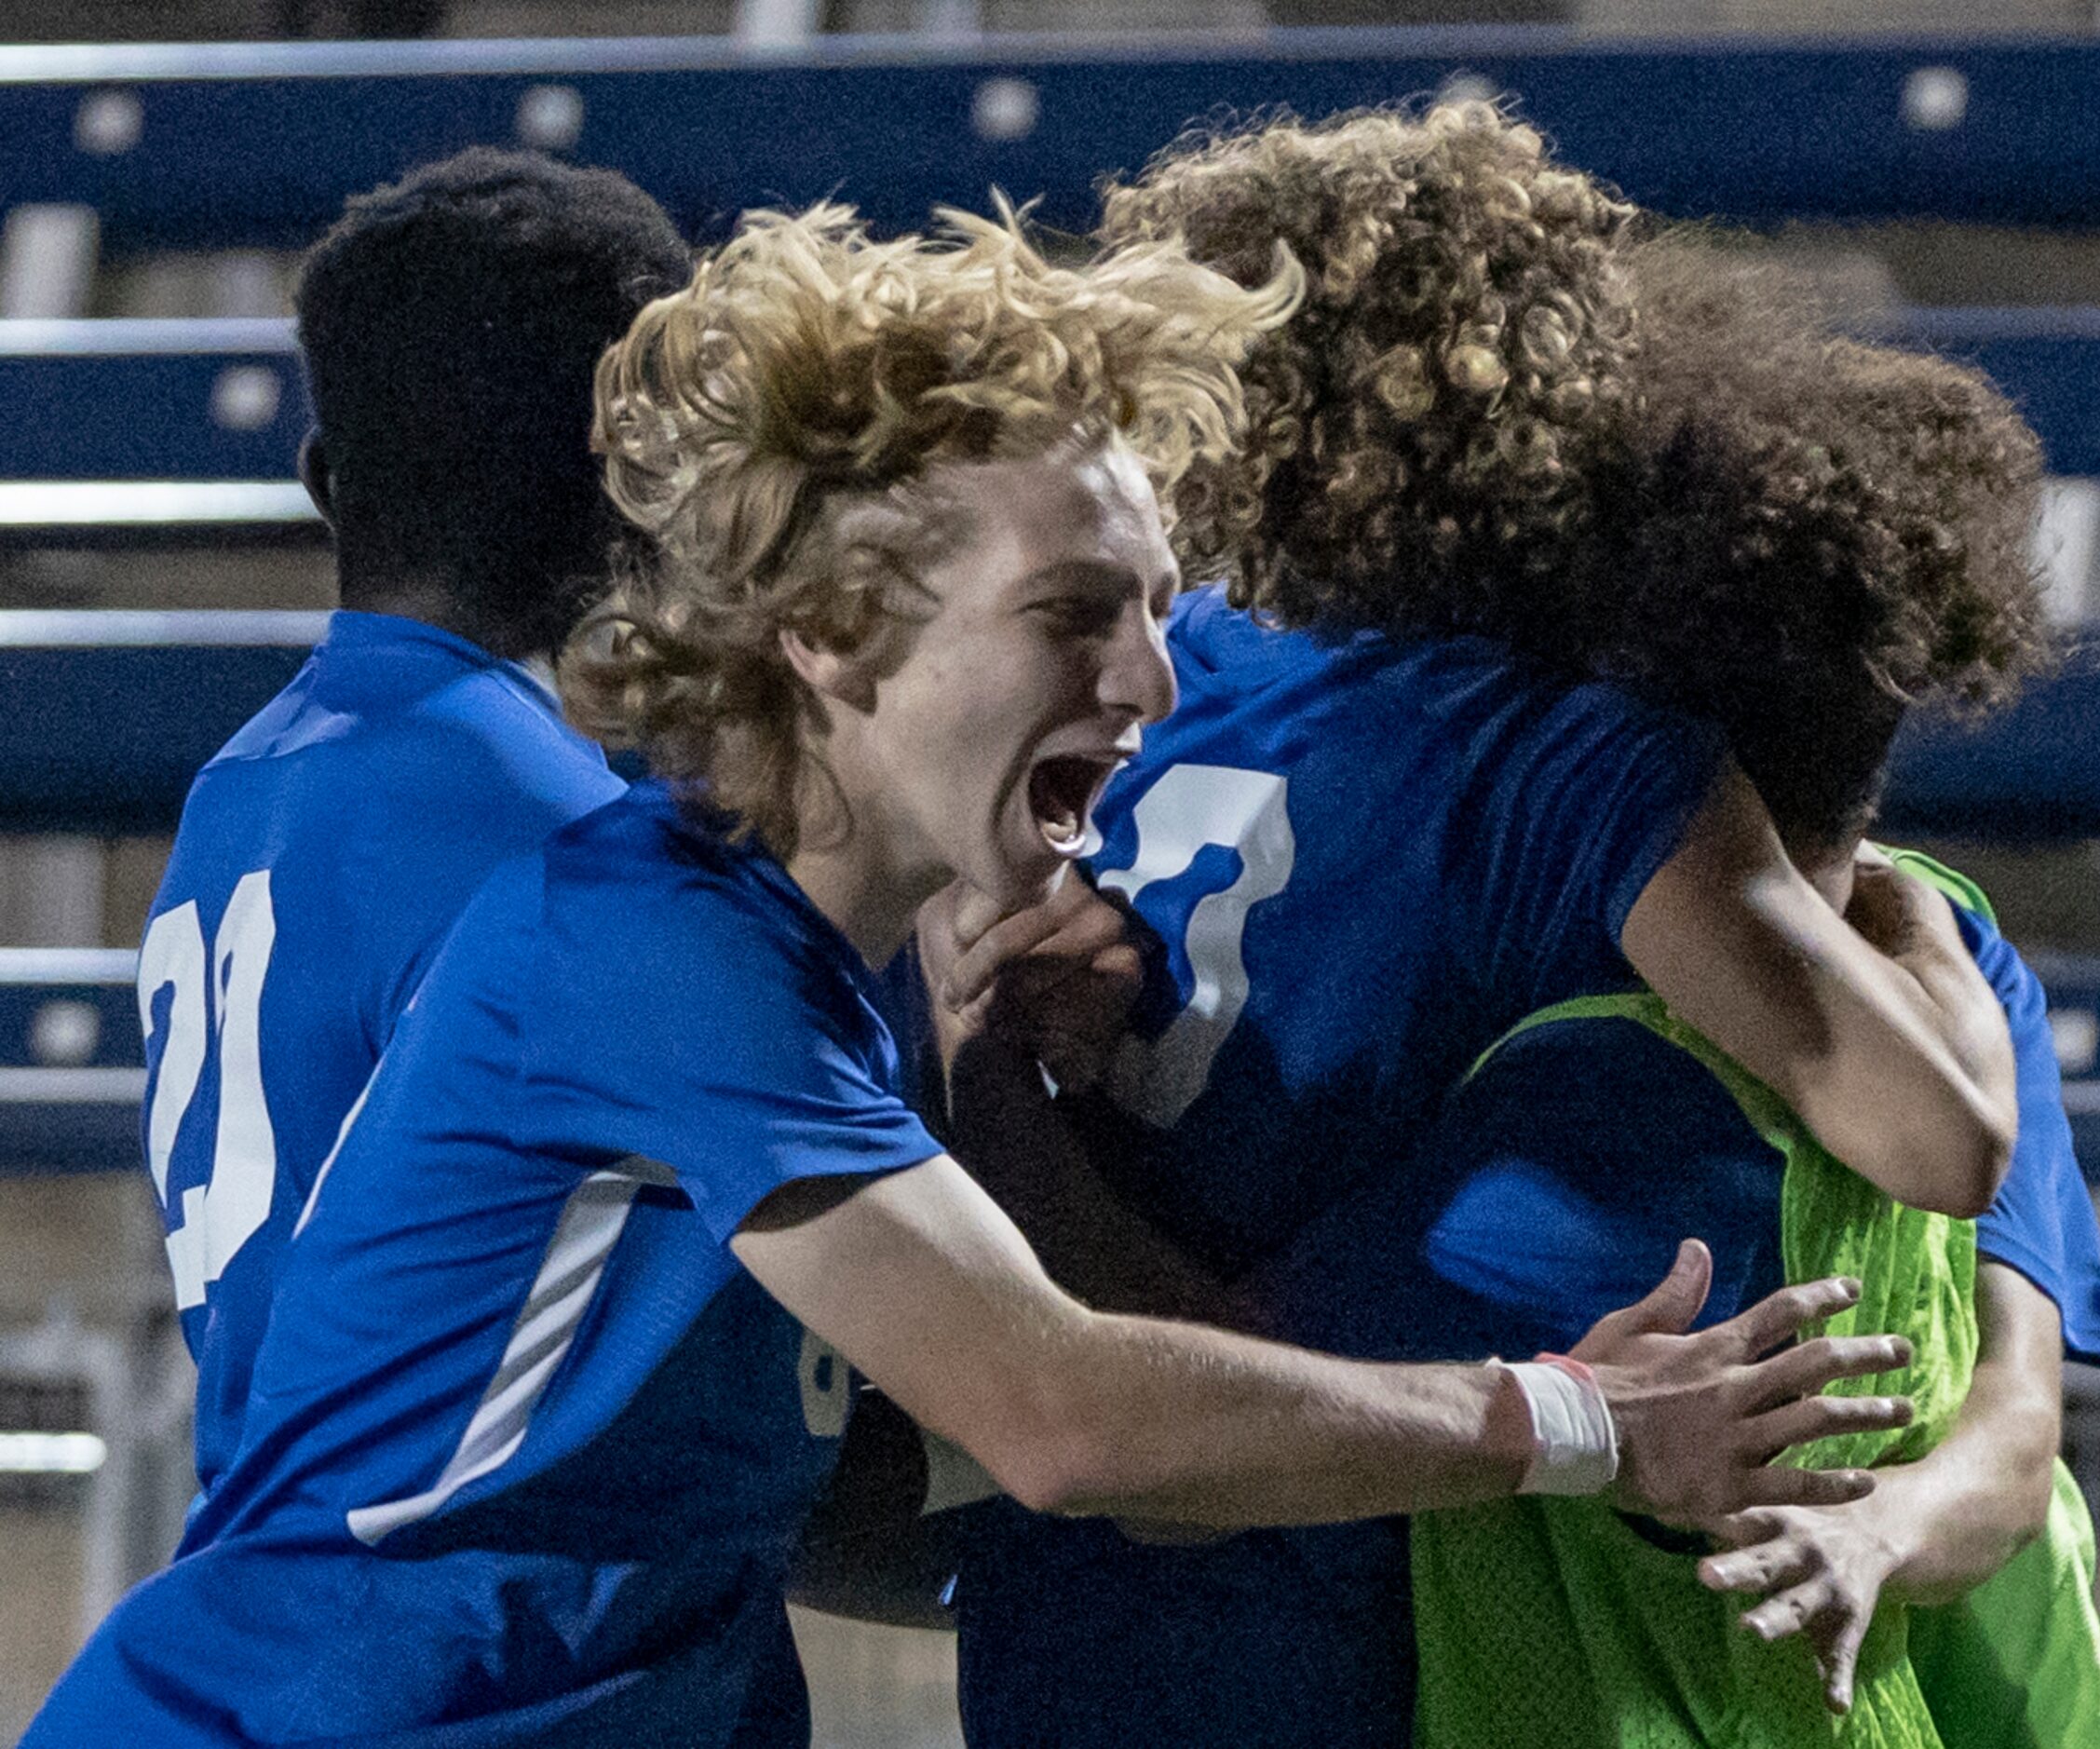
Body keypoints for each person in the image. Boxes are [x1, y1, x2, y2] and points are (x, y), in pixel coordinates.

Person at [26, 205, 1904, 1749]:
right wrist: (1571, 1423)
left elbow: (958, 1469)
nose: (1156, 683)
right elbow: (1063, 1421)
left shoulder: (814, 972)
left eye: (1163, 607)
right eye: (1075, 612)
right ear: (837, 633)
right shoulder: (647, 939)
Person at [934, 101, 2033, 1748]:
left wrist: (991, 1068)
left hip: (1088, 1595)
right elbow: (1936, 1133)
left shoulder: (1152, 670)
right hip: (1291, 1591)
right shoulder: (1566, 756)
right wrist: (1911, 918)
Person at [1240, 246, 2100, 1744]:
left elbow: (1220, 1402)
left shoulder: (1592, 1092)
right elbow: (2019, 1437)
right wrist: (1884, 1532)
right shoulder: (1964, 953)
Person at [136, 147, 691, 1500]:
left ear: (327, 481)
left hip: (271, 1577)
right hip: (486, 1644)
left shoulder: (238, 787)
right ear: (648, 477)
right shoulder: (556, 830)